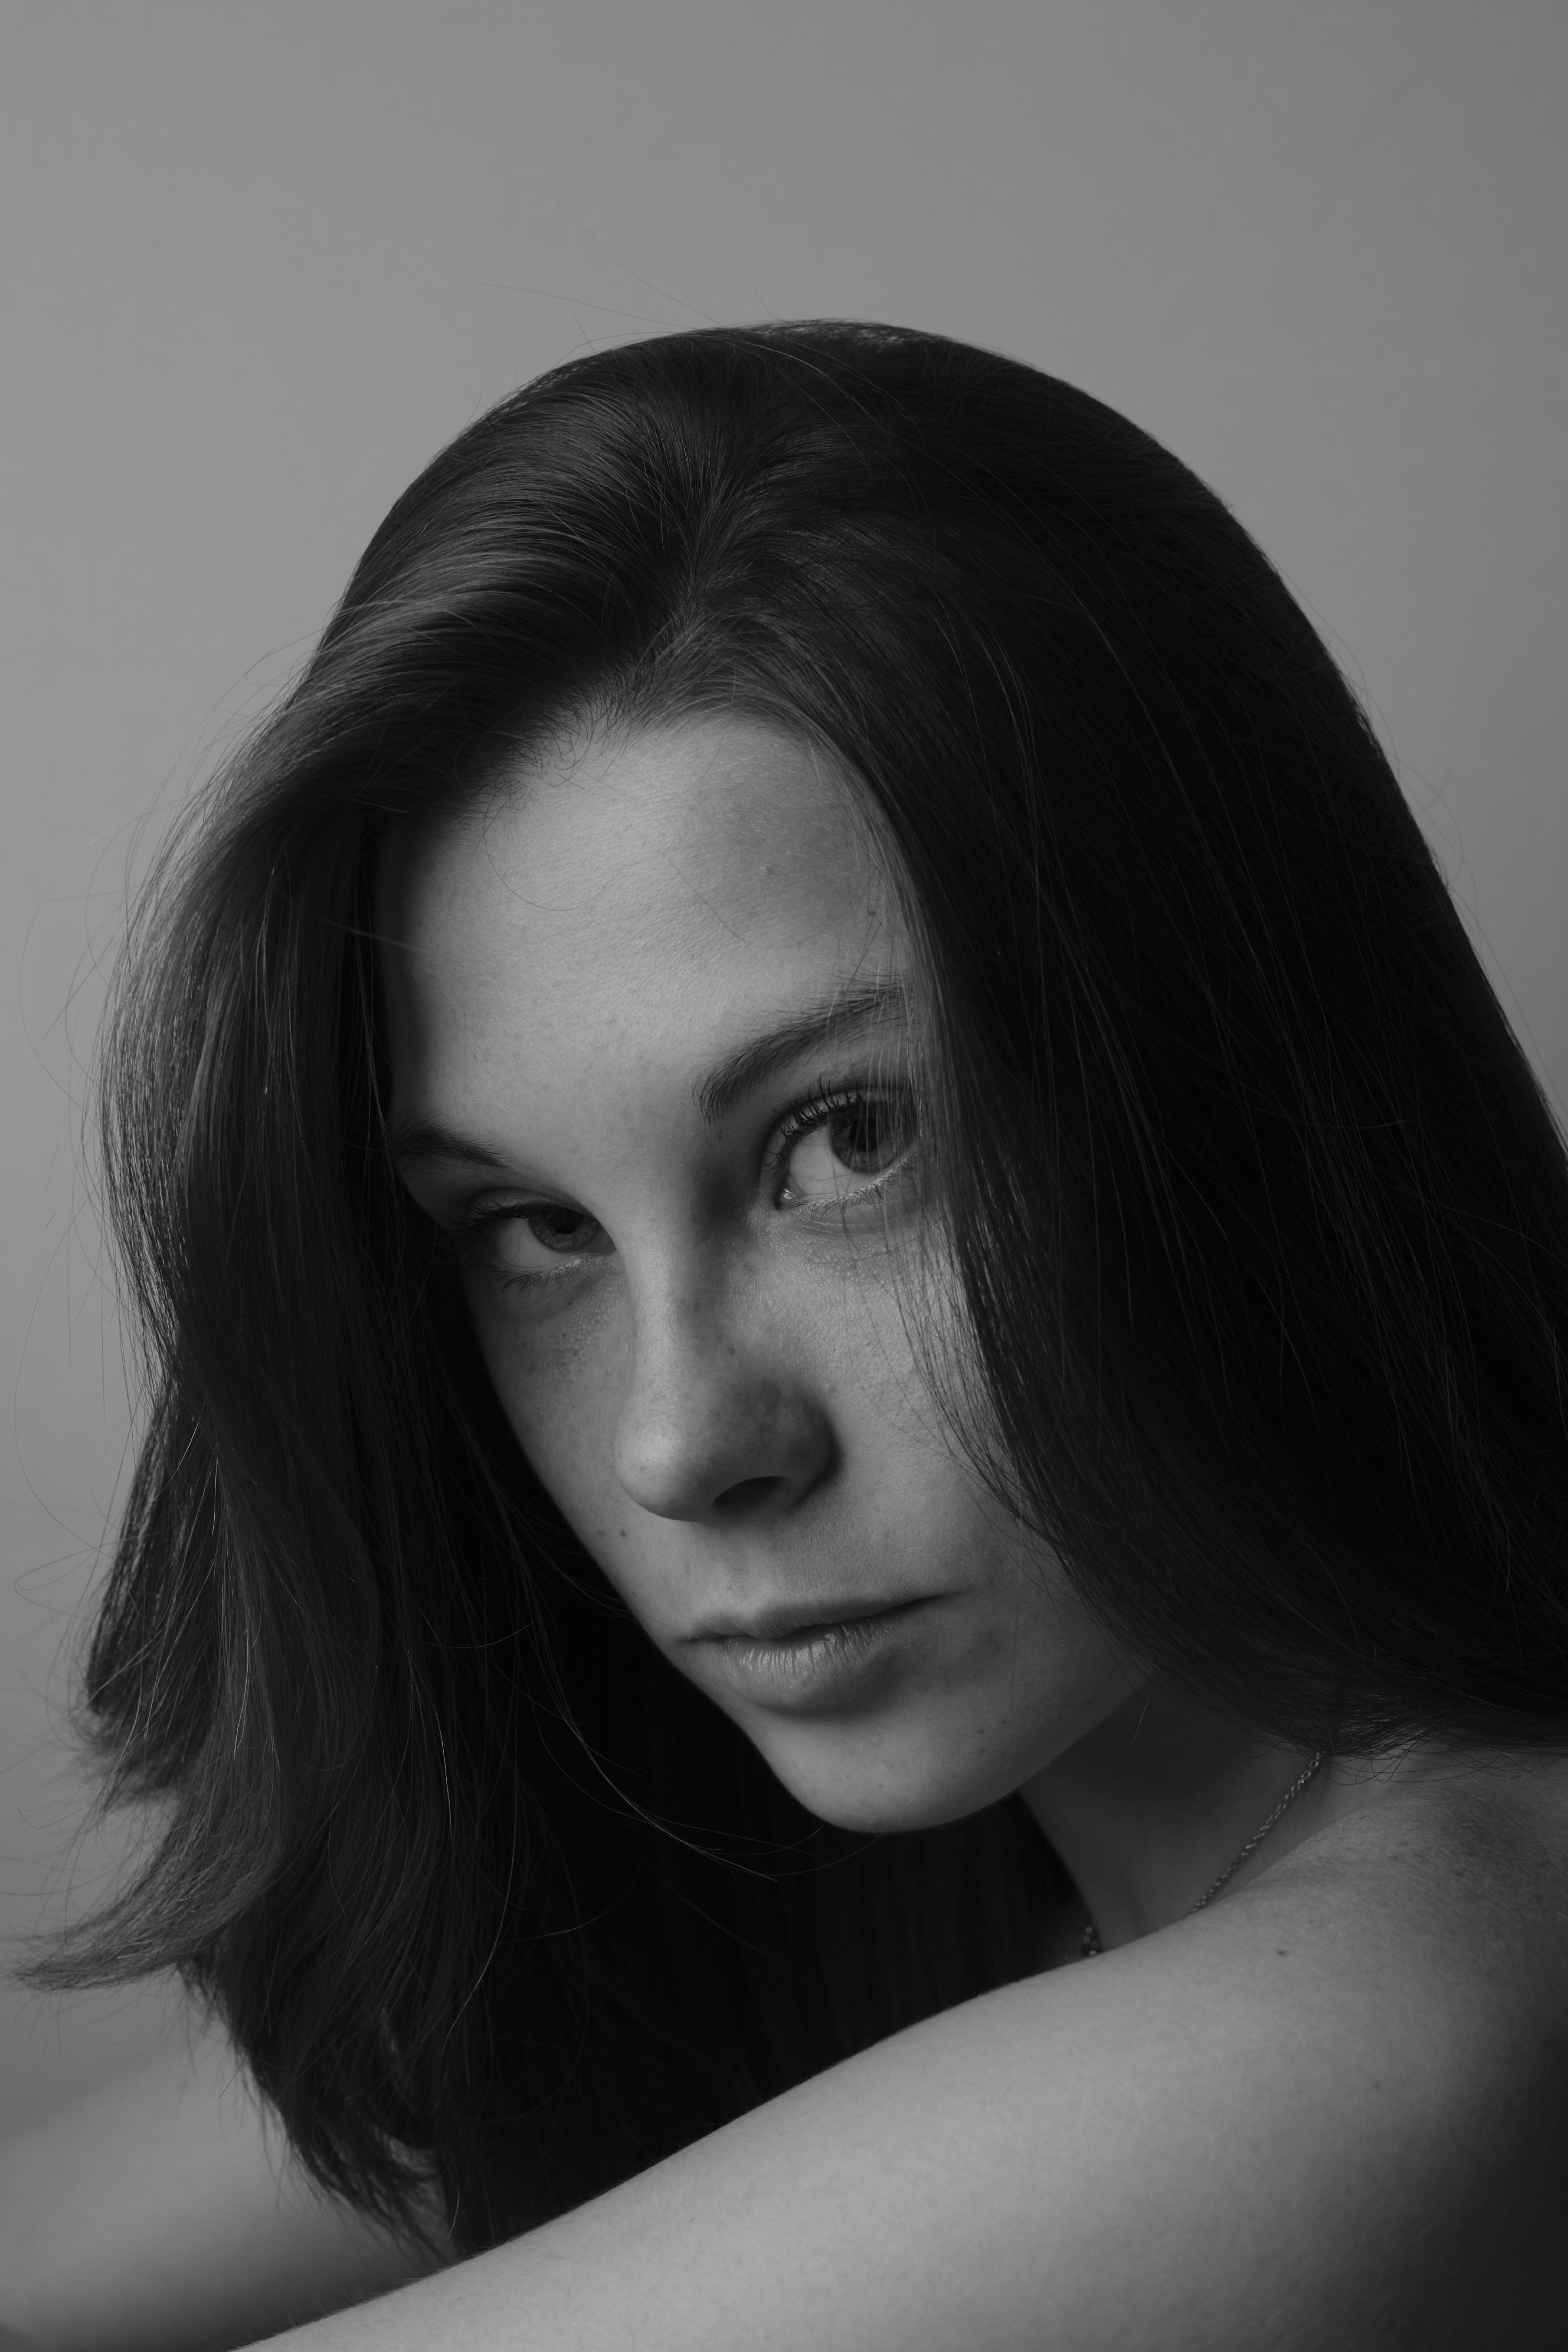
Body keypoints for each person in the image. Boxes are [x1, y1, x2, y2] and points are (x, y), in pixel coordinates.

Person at [3, 319, 1566, 2350]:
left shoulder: (1393, 2038)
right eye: (535, 1226)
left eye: (848, 1142)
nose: (677, 1442)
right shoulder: (905, 1890)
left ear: (1252, 1074)